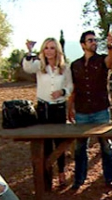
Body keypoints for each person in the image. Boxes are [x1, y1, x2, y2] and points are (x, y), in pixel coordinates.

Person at [67, 30, 112, 190]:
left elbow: (111, 62)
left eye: (95, 40)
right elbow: (73, 89)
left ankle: (109, 178)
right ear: (83, 45)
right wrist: (70, 108)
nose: (93, 42)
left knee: (106, 146)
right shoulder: (75, 65)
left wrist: (111, 46)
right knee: (80, 147)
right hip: (82, 111)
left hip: (101, 110)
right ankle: (79, 180)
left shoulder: (102, 59)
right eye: (90, 40)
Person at [22, 38, 73, 187]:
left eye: (52, 48)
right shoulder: (39, 66)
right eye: (46, 48)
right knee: (46, 144)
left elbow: (70, 86)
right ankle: (47, 177)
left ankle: (62, 173)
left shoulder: (65, 68)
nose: (49, 51)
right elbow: (27, 67)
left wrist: (63, 91)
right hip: (44, 109)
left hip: (59, 108)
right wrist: (29, 51)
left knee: (60, 142)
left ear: (57, 50)